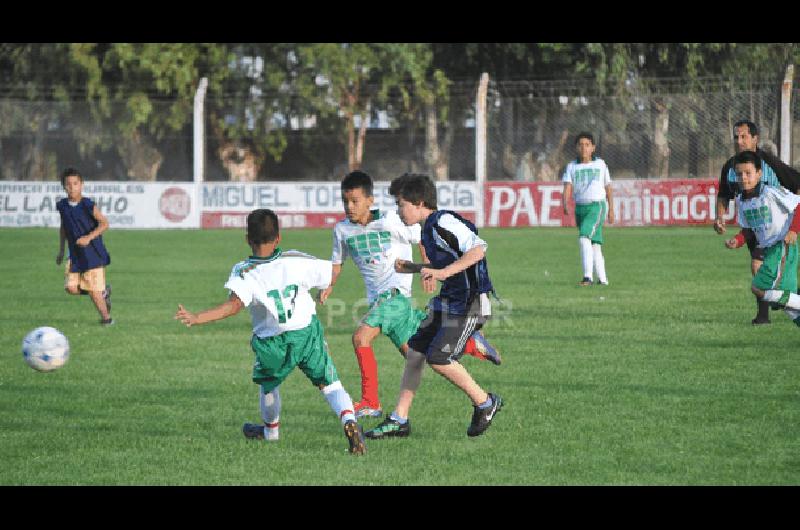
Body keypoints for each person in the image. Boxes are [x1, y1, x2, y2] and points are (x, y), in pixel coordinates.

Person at [174, 209, 366, 455]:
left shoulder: (244, 271)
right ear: (278, 238)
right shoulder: (296, 259)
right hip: (305, 333)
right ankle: (349, 420)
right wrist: (326, 289)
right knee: (330, 384)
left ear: (247, 239)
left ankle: (270, 433)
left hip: (271, 341)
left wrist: (197, 317)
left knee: (268, 386)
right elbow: (333, 271)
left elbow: (233, 306)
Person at [319, 171, 501, 419]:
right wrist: (329, 285)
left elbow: (428, 240)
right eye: (345, 201)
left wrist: (432, 268)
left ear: (370, 200)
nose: (349, 207)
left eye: (355, 201)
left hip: (395, 295)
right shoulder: (342, 230)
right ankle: (471, 346)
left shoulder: (392, 220)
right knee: (416, 355)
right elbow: (337, 261)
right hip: (379, 300)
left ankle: (371, 401)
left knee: (361, 338)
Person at [365, 174, 503, 440]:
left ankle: (485, 403)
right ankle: (399, 420)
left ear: (419, 203)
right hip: (448, 302)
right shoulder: (427, 229)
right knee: (415, 352)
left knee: (439, 358)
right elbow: (444, 265)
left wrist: (443, 272)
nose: (398, 210)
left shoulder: (443, 222)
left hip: (469, 303)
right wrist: (417, 268)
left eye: (401, 204)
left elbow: (478, 249)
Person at [714, 120, 800, 325]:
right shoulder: (742, 197)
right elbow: (748, 228)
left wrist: (794, 230)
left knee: (765, 288)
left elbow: (797, 203)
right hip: (767, 243)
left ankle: (764, 316)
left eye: (748, 174)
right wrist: (737, 240)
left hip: (782, 243)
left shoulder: (771, 189)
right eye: (739, 174)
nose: (743, 178)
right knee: (778, 296)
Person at [55, 167, 113, 325]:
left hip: (92, 253)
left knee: (94, 291)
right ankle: (103, 293)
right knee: (71, 288)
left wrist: (88, 237)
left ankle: (107, 320)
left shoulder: (87, 204)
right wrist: (61, 250)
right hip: (74, 254)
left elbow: (105, 223)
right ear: (64, 186)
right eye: (68, 184)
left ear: (81, 185)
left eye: (75, 183)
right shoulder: (62, 206)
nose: (72, 187)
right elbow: (64, 228)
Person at [561, 132, 615, 286]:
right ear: (576, 148)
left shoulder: (600, 164)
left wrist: (611, 209)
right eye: (580, 145)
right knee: (594, 244)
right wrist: (565, 202)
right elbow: (568, 186)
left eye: (587, 145)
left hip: (596, 206)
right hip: (580, 207)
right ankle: (603, 280)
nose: (584, 148)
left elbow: (608, 187)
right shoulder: (572, 166)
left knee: (584, 237)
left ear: (593, 147)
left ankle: (587, 277)